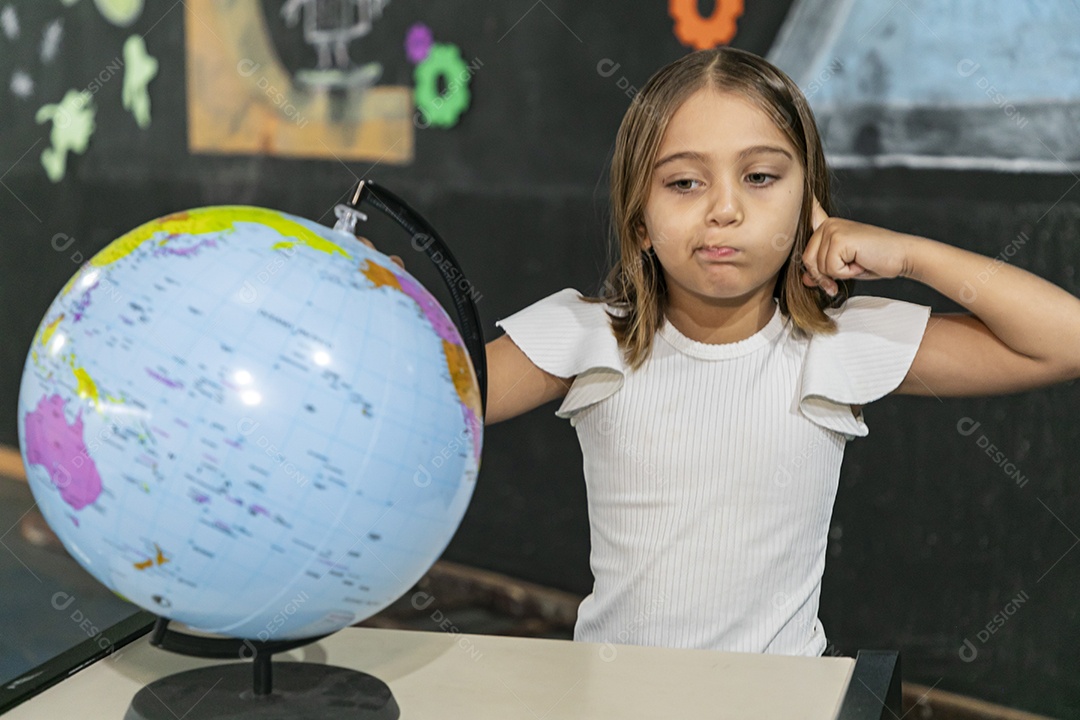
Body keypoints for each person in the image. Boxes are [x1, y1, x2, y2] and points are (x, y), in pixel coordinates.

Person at [369, 47, 1080, 656]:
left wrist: (913, 255)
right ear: (640, 221)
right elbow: (422, 401)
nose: (725, 209)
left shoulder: (841, 343)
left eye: (761, 177)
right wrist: (371, 305)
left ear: (810, 203)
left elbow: (1063, 342)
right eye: (684, 182)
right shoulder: (588, 336)